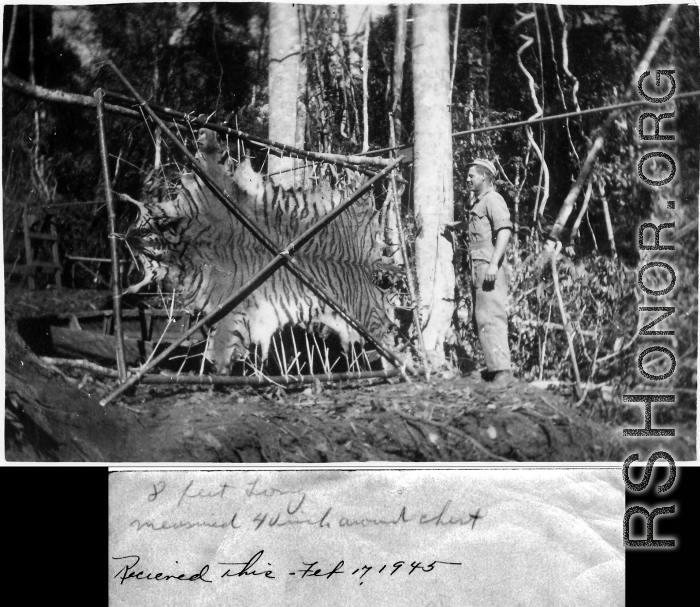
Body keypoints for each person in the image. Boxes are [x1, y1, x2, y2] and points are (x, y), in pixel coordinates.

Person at [461, 158, 514, 388]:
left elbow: (503, 232)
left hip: (489, 266)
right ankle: (494, 368)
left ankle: (502, 371)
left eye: (472, 175)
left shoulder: (493, 199)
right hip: (478, 266)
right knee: (482, 317)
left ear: (484, 176)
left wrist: (493, 265)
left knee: (492, 315)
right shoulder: (479, 203)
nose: (468, 179)